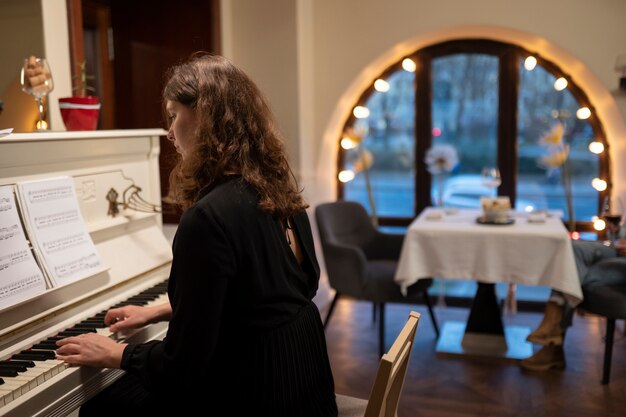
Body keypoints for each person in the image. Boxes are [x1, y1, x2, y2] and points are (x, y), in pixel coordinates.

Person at [55, 53, 338, 417]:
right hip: (301, 381)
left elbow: (182, 368)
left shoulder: (207, 218)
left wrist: (116, 353)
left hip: (253, 394)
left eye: (174, 115)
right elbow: (260, 294)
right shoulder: (276, 189)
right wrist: (158, 311)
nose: (169, 132)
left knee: (103, 406)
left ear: (206, 119)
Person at [521, 238, 626, 371]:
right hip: (616, 249)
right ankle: (552, 337)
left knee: (570, 273)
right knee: (572, 250)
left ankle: (552, 344)